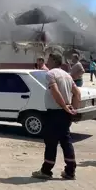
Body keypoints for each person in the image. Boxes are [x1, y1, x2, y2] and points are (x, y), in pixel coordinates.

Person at [32, 49, 80, 180]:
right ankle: (70, 171)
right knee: (66, 141)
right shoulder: (67, 75)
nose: (47, 61)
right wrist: (72, 109)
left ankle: (46, 171)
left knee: (51, 141)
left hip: (54, 113)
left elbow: (54, 91)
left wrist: (64, 106)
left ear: (54, 61)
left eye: (48, 59)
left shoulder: (50, 74)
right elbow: (77, 93)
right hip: (65, 114)